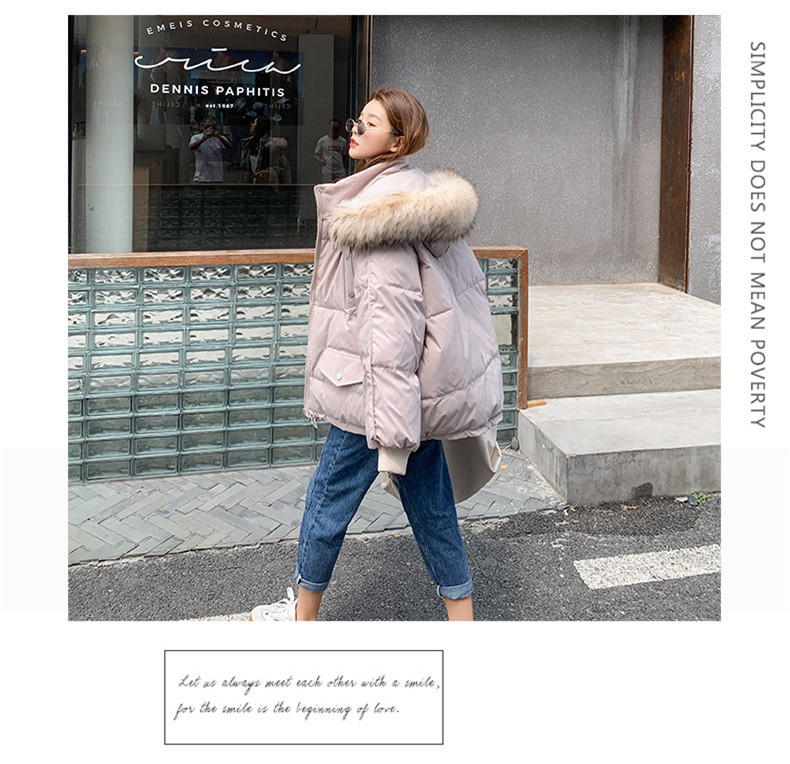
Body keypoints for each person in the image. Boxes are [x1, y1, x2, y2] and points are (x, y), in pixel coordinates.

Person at [249, 88, 503, 622]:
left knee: (327, 501)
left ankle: (302, 619)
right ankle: (463, 624)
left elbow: (391, 333)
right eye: (356, 121)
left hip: (375, 395)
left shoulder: (378, 216)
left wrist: (391, 429)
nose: (355, 130)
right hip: (411, 393)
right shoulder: (414, 195)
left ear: (397, 141)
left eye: (369, 124)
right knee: (432, 510)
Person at [189, 116, 232, 183]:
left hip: (216, 178)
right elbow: (191, 147)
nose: (210, 128)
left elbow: (229, 147)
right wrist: (205, 138)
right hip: (201, 178)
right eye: (208, 126)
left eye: (213, 126)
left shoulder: (219, 138)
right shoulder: (197, 137)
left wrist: (218, 136)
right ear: (203, 126)